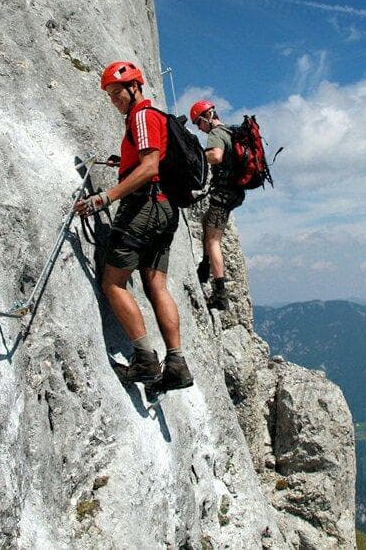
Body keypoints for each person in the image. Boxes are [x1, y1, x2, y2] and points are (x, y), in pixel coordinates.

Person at [76, 61, 193, 390]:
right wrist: (124, 162)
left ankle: (144, 360)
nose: (114, 100)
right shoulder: (152, 118)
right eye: (110, 95)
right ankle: (176, 364)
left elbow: (149, 166)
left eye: (117, 93)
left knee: (113, 283)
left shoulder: (141, 115)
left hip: (143, 207)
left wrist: (104, 198)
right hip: (165, 209)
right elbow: (149, 160)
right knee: (157, 286)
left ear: (135, 87)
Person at [190, 100, 245, 311]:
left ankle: (220, 294)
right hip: (234, 193)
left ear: (207, 117)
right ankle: (205, 267)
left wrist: (196, 156)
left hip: (223, 195)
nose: (198, 128)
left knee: (213, 240)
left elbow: (215, 155)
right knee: (207, 222)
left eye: (198, 122)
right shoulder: (230, 131)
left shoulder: (216, 133)